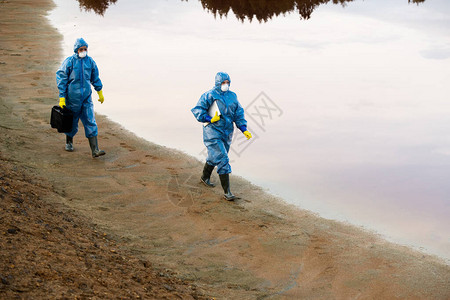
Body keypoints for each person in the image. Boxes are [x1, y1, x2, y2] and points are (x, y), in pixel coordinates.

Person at [191, 72, 252, 201]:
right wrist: (210, 118)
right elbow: (197, 110)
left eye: (227, 82)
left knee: (215, 156)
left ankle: (204, 177)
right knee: (223, 159)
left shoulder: (232, 96)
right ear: (218, 83)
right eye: (223, 82)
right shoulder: (209, 95)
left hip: (227, 132)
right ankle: (228, 193)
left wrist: (243, 129)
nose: (226, 85)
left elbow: (238, 113)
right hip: (212, 132)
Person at [56, 37, 106, 158]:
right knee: (72, 121)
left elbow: (95, 77)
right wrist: (62, 97)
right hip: (72, 98)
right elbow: (61, 78)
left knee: (90, 120)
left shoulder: (90, 62)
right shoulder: (70, 62)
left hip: (86, 98)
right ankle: (69, 141)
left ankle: (95, 150)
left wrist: (99, 91)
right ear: (76, 50)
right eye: (81, 49)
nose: (83, 51)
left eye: (85, 49)